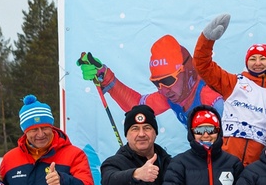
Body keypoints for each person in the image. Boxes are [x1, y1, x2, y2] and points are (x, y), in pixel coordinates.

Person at [192, 12, 266, 165]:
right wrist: (207, 39)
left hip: (258, 165)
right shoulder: (234, 83)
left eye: (262, 58)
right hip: (227, 160)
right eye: (252, 59)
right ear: (246, 62)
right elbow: (203, 65)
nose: (257, 63)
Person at [81, 34, 223, 127]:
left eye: (168, 80)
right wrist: (105, 77)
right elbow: (137, 106)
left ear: (187, 72)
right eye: (156, 83)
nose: (163, 89)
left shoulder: (212, 98)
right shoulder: (173, 95)